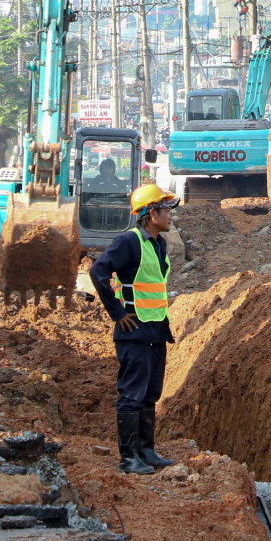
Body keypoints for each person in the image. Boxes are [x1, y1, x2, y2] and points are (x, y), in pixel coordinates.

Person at [89, 184, 180, 475]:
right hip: (135, 332)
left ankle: (145, 451)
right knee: (132, 394)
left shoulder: (158, 244)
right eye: (166, 209)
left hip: (155, 331)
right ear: (151, 213)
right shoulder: (129, 241)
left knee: (150, 394)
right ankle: (128, 458)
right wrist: (118, 313)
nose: (170, 215)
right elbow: (98, 272)